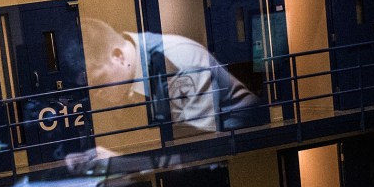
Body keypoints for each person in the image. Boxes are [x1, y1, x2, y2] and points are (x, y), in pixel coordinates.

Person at [82, 18, 266, 134]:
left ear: (118, 56)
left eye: (97, 81)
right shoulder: (133, 69)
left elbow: (201, 144)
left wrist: (119, 164)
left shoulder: (175, 62)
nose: (96, 93)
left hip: (251, 130)